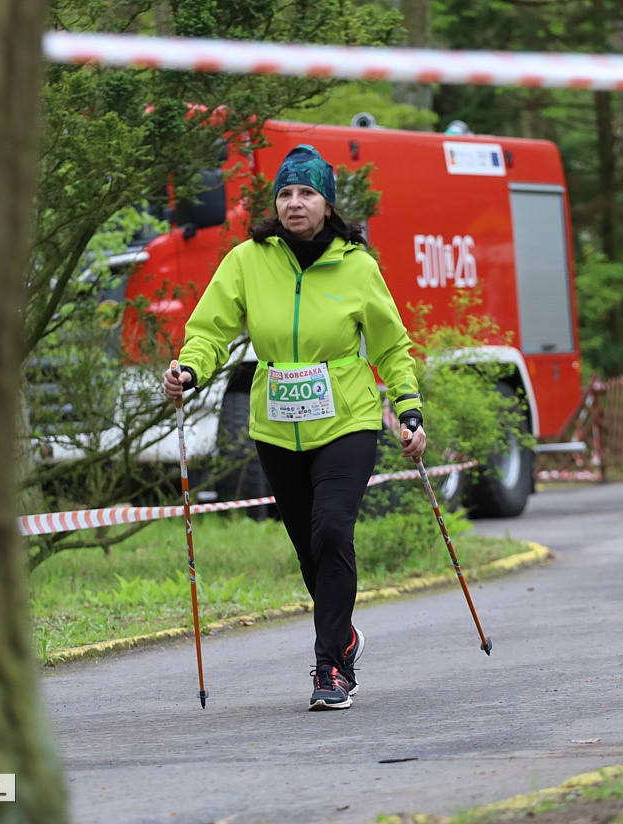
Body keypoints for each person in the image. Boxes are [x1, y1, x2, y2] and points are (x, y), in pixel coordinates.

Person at [162, 144, 426, 710]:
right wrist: (189, 368)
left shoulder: (358, 266)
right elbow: (210, 329)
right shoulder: (247, 260)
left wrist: (408, 409)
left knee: (332, 528)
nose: (295, 203)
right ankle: (344, 633)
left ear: (328, 204)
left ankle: (331, 665)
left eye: (307, 192)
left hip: (348, 420)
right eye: (285, 193)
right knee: (311, 548)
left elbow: (392, 345)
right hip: (278, 426)